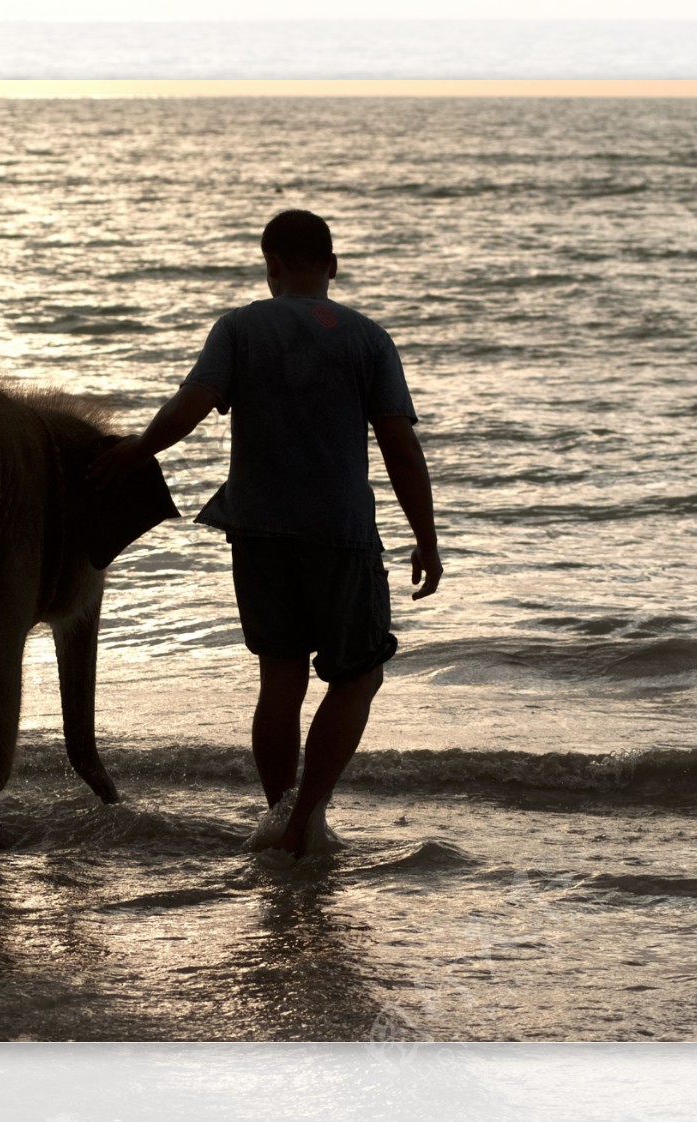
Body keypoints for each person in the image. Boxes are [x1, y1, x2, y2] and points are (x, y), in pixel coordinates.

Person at [89, 209, 442, 858]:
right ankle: (306, 818)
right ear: (332, 265)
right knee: (358, 675)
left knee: (280, 680)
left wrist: (137, 451)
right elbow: (399, 448)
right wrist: (426, 536)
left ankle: (282, 813)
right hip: (340, 534)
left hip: (258, 530)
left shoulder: (241, 327)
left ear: (271, 265)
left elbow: (192, 403)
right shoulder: (368, 339)